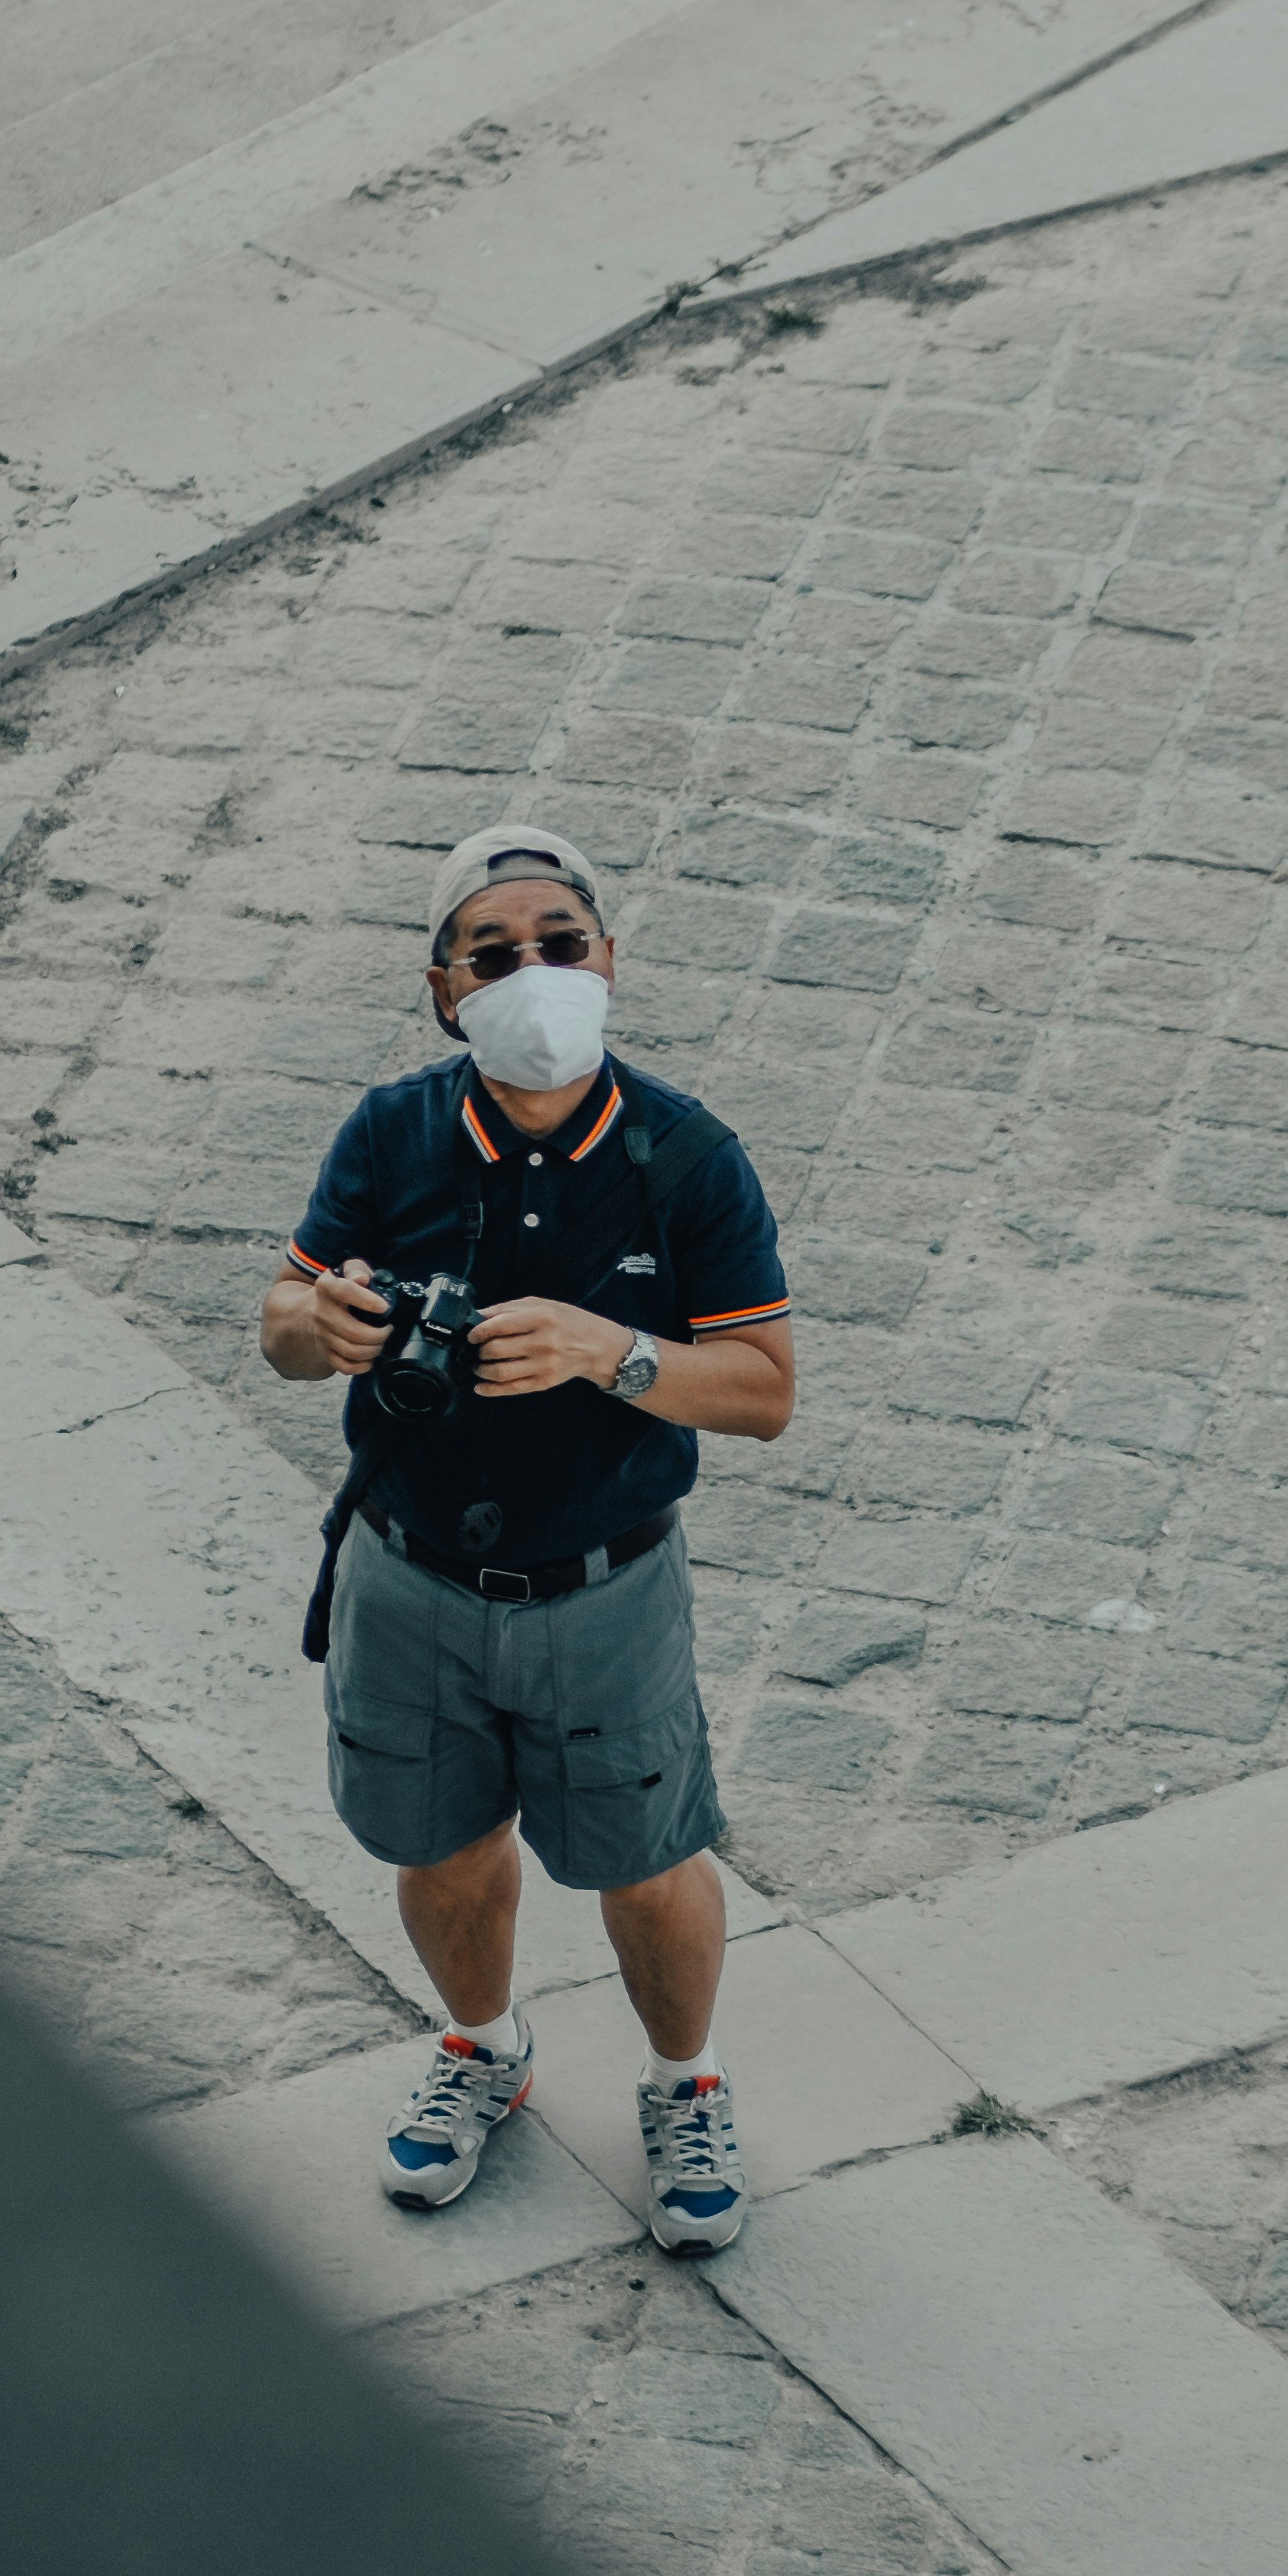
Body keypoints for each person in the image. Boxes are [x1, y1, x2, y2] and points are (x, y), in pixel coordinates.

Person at [262, 827, 793, 2254]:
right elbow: (281, 1322)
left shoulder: (685, 1157)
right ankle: (482, 2049)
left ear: (609, 962)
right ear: (447, 993)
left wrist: (607, 1353)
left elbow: (762, 1392)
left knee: (647, 1860)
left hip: (604, 1585)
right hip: (406, 1567)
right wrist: (321, 1328)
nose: (535, 972)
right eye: (494, 955)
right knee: (437, 1847)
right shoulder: (393, 1132)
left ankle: (685, 2084)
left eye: (562, 942)